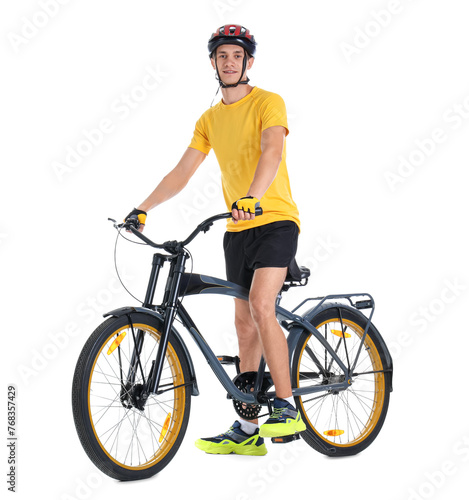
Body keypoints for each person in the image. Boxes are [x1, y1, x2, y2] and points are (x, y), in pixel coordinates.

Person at [125, 24, 305, 456]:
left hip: (276, 220)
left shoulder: (268, 102)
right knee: (245, 326)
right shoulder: (208, 120)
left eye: (236, 56)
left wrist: (252, 196)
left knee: (263, 306)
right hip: (236, 230)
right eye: (222, 55)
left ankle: (286, 405)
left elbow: (271, 151)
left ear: (248, 63)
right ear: (213, 63)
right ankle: (246, 429)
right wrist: (142, 208)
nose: (229, 62)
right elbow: (182, 171)